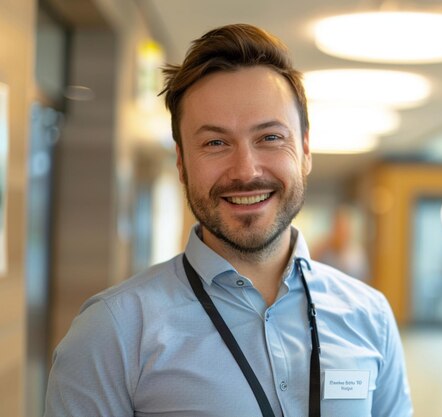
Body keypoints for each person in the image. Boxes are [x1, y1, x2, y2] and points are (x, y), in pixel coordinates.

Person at [44, 23, 413, 417]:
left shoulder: (369, 316)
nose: (245, 170)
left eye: (270, 137)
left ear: (305, 150)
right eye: (215, 143)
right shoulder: (113, 332)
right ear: (182, 164)